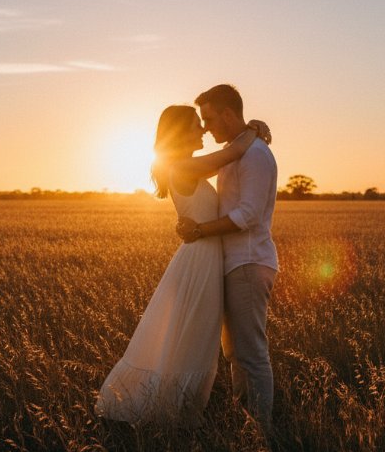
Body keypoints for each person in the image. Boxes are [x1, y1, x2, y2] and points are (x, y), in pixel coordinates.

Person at [95, 104, 270, 425]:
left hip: (204, 256)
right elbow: (233, 153)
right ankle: (170, 413)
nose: (203, 130)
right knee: (194, 336)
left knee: (194, 335)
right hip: (200, 259)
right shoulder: (183, 166)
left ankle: (177, 410)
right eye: (195, 125)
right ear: (179, 132)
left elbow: (231, 156)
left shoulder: (185, 165)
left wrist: (251, 130)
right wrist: (255, 129)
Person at [176, 84, 279, 429]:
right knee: (235, 353)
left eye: (208, 118)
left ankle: (260, 433)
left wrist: (200, 231)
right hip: (234, 263)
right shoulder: (238, 152)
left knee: (251, 352)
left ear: (228, 114)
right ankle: (246, 421)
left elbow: (248, 214)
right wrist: (253, 129)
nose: (205, 127)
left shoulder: (255, 155)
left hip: (249, 262)